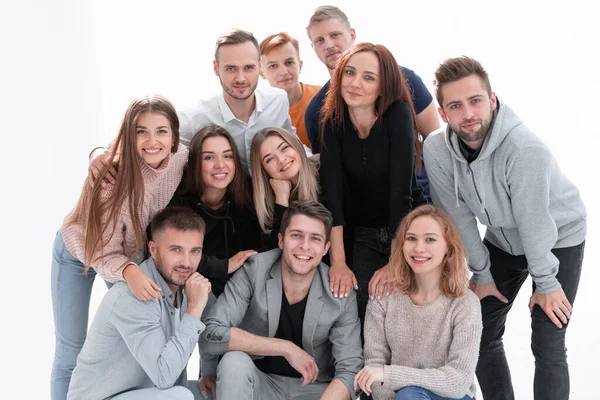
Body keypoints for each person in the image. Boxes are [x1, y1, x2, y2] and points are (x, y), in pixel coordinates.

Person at [424, 56, 587, 400]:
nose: (468, 113)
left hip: (558, 234)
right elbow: (457, 216)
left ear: (492, 99)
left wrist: (546, 282)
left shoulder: (524, 149)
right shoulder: (437, 150)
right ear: (442, 113)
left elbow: (535, 221)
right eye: (456, 105)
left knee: (548, 335)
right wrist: (481, 274)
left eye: (475, 101)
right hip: (503, 237)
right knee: (477, 331)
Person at [51, 95, 189, 400]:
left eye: (162, 131)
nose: (153, 141)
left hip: (127, 252)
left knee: (162, 328)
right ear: (129, 135)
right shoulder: (112, 180)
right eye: (141, 131)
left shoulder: (181, 158)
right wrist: (128, 271)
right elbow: (102, 250)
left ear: (174, 135)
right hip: (82, 249)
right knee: (71, 348)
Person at [199, 200, 364, 400]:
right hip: (260, 384)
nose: (305, 246)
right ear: (280, 240)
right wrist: (285, 348)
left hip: (314, 391)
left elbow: (350, 369)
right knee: (233, 362)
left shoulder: (339, 290)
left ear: (325, 248)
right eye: (296, 235)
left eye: (315, 239)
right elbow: (210, 334)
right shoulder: (253, 270)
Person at [88, 29, 301, 179]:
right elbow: (138, 128)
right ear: (216, 69)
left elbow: (291, 143)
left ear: (260, 68)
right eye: (230, 69)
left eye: (248, 68)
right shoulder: (197, 116)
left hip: (270, 196)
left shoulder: (278, 100)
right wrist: (99, 151)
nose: (241, 78)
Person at [319, 42, 426, 325]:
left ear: (383, 85)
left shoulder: (398, 115)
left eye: (369, 77)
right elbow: (333, 197)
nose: (355, 83)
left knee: (411, 304)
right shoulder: (332, 123)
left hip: (409, 226)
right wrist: (339, 263)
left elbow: (401, 195)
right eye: (350, 73)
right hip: (363, 231)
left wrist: (395, 261)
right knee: (363, 306)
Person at [67, 207, 212, 400]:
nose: (186, 262)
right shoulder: (134, 297)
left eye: (195, 251)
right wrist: (194, 309)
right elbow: (164, 376)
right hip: (105, 397)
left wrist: (209, 372)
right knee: (181, 396)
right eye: (176, 250)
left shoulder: (189, 288)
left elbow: (214, 332)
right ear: (153, 249)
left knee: (211, 392)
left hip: (143, 393)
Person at [355, 205, 482, 400]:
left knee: (409, 394)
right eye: (411, 238)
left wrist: (390, 375)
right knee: (408, 395)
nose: (418, 248)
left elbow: (458, 381)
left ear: (448, 248)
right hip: (400, 398)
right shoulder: (383, 298)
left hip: (452, 396)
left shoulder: (465, 303)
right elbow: (374, 369)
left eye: (430, 239)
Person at [304, 5, 440, 154]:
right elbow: (326, 169)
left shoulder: (405, 79)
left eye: (335, 35)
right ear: (313, 47)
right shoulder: (315, 112)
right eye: (320, 40)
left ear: (352, 35)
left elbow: (435, 143)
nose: (329, 45)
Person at [168, 124, 262, 297]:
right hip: (189, 287)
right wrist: (224, 265)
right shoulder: (178, 199)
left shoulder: (247, 193)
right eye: (209, 158)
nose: (220, 165)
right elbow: (172, 253)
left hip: (238, 289)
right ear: (196, 163)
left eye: (227, 156)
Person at [250, 127, 320, 248]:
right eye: (270, 159)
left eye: (284, 148)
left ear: (296, 145)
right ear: (264, 171)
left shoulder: (325, 172)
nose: (281, 160)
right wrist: (281, 201)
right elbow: (274, 252)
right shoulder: (267, 200)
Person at [259, 32, 321, 148]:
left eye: (289, 63)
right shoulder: (260, 115)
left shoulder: (324, 97)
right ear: (262, 72)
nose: (283, 72)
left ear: (300, 65)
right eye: (273, 66)